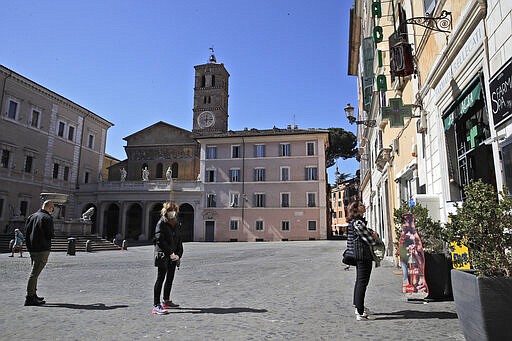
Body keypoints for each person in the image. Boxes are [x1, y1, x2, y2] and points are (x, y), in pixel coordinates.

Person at [347, 201, 378, 321]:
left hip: (358, 255)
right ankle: (360, 312)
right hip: (363, 255)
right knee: (362, 283)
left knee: (359, 282)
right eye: (361, 205)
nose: (363, 206)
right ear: (356, 209)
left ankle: (358, 307)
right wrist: (374, 236)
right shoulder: (358, 223)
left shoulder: (353, 222)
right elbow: (369, 240)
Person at [152, 202, 183, 315]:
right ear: (165, 211)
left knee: (170, 278)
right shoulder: (161, 223)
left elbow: (179, 240)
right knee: (160, 279)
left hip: (173, 256)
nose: (172, 212)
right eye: (170, 210)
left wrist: (179, 254)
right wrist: (170, 253)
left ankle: (166, 300)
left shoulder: (176, 223)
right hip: (163, 255)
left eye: (174, 210)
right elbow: (159, 240)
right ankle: (156, 305)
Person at [24, 200, 55, 306]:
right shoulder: (47, 218)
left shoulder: (32, 216)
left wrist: (28, 246)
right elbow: (50, 234)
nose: (53, 210)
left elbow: (26, 233)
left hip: (32, 248)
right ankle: (30, 297)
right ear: (50, 208)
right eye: (53, 208)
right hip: (42, 249)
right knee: (34, 273)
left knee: (35, 272)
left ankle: (33, 294)